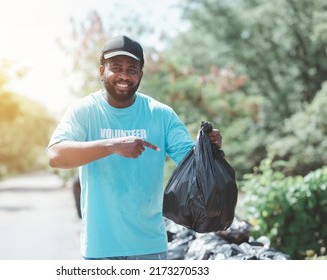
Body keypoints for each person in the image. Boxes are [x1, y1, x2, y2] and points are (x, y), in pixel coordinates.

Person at [46, 35, 222, 260]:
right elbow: (56, 156)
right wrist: (112, 145)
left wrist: (210, 148)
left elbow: (194, 165)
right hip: (100, 249)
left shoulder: (161, 114)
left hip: (150, 248)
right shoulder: (84, 111)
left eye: (132, 69)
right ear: (102, 71)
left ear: (140, 74)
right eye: (116, 67)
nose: (124, 75)